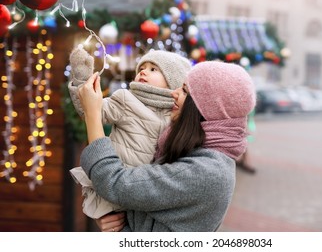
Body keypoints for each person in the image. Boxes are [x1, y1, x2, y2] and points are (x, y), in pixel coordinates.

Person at [78, 61, 256, 232]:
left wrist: (92, 113)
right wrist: (113, 222)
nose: (174, 93)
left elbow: (116, 184)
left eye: (185, 91)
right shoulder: (197, 149)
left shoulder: (205, 171)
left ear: (206, 109)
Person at [67, 48, 191, 219]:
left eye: (153, 69)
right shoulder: (126, 99)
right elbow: (91, 109)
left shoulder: (179, 113)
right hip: (117, 183)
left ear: (174, 80)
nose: (143, 71)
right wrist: (82, 78)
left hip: (148, 195)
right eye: (142, 68)